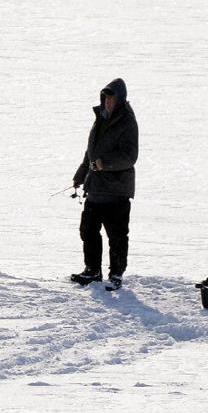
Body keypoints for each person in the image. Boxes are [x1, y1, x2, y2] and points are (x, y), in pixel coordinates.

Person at [70, 78, 138, 291]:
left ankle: (116, 275)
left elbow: (130, 156)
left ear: (120, 99)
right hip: (95, 189)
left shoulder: (127, 121)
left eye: (111, 98)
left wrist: (105, 164)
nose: (108, 102)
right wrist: (82, 172)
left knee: (117, 237)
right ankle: (92, 271)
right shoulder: (101, 117)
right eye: (105, 98)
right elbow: (91, 150)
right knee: (88, 231)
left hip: (116, 192)